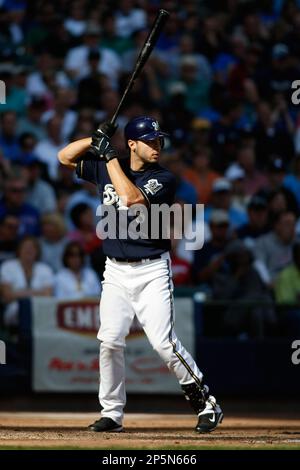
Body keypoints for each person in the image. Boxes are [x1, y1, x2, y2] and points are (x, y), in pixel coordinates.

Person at [58, 115, 223, 434]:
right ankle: (112, 413)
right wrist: (94, 139)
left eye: (158, 140)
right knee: (109, 341)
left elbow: (132, 198)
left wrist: (108, 157)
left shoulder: (163, 177)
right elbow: (64, 157)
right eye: (150, 140)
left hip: (151, 269)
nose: (157, 145)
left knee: (164, 343)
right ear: (132, 144)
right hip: (115, 271)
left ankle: (205, 403)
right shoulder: (108, 164)